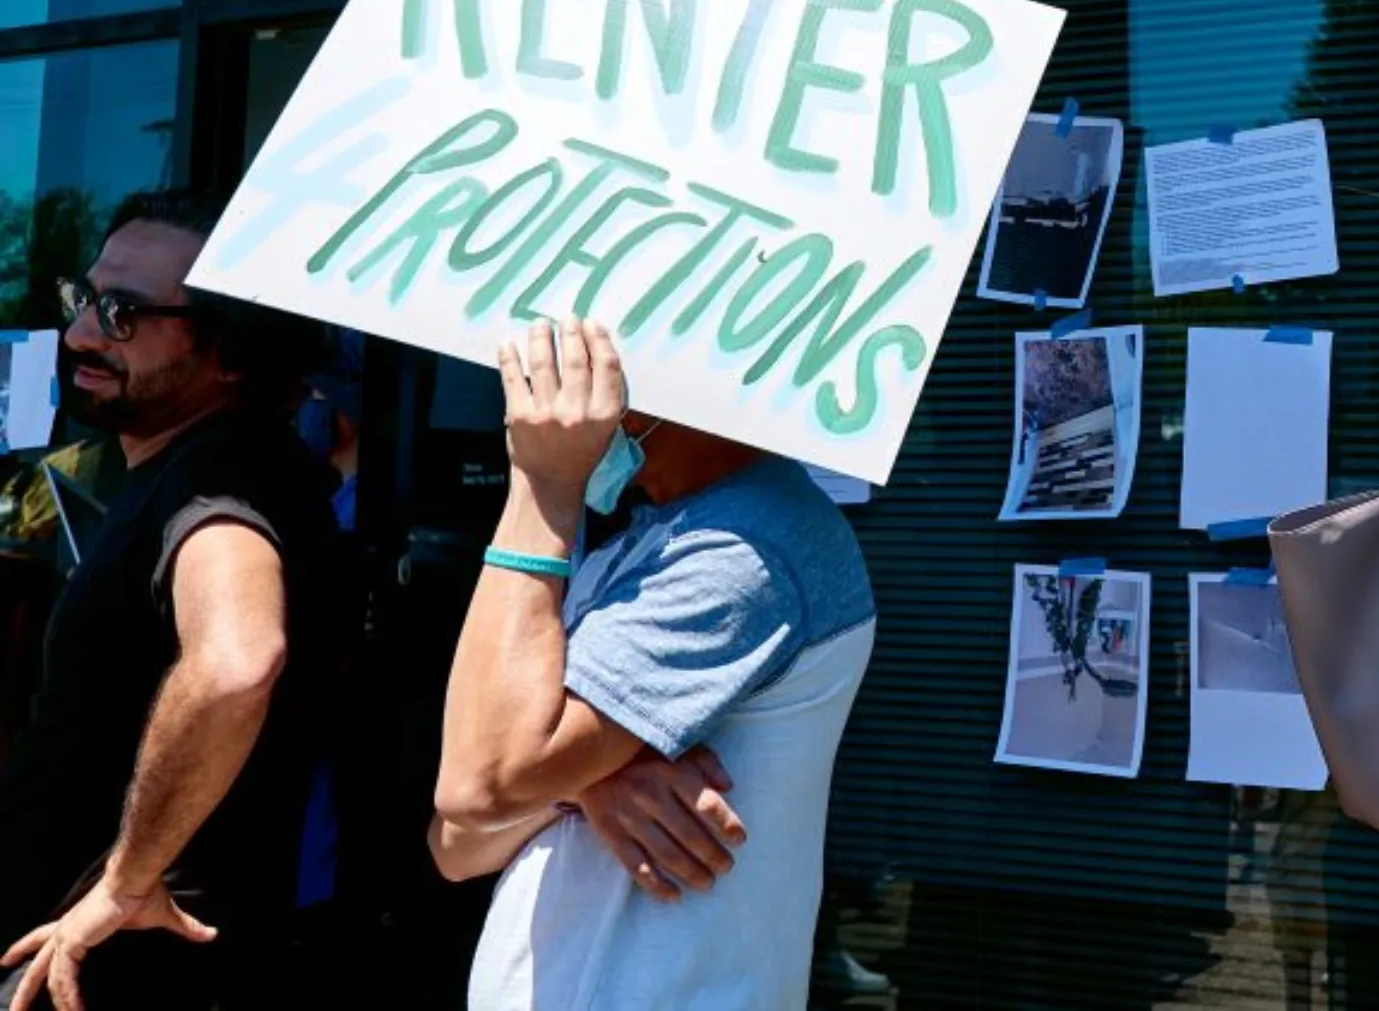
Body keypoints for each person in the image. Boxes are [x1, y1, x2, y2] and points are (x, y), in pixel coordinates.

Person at [429, 317, 875, 1009]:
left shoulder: (751, 545)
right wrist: (584, 782)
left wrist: (540, 486)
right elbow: (454, 841)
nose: (548, 385)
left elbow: (479, 786)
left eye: (582, 356)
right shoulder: (632, 549)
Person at [0, 190, 339, 1010]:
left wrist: (125, 883)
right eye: (84, 299)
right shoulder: (175, 465)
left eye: (123, 314)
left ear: (229, 355)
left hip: (123, 972)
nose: (83, 333)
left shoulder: (221, 475)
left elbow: (236, 662)